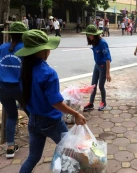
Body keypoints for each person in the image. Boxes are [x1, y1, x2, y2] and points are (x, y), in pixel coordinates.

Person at [15, 30, 86, 172]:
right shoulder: (49, 73)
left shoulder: (24, 70)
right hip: (52, 122)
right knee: (71, 153)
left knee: (33, 157)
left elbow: (23, 96)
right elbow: (56, 103)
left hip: (33, 121)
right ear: (42, 51)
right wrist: (76, 114)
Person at [0, 22, 28, 158]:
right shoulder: (25, 48)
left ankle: (10, 146)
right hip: (20, 89)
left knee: (12, 116)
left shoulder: (2, 48)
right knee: (32, 112)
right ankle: (37, 138)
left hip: (3, 89)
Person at [82, 25, 112, 111]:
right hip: (97, 65)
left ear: (94, 35)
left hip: (103, 67)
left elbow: (108, 58)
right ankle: (91, 103)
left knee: (101, 86)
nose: (88, 37)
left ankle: (103, 103)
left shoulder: (102, 43)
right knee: (93, 86)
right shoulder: (94, 42)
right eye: (87, 35)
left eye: (89, 35)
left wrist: (108, 73)